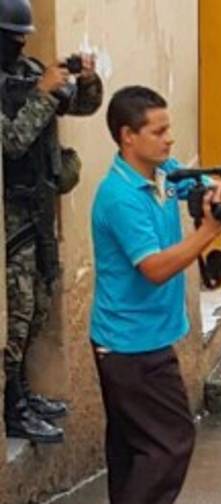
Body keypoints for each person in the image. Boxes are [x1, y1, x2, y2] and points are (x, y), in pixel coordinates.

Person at [87, 86, 221, 504]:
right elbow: (154, 268)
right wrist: (207, 234)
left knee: (133, 446)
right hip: (129, 343)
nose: (168, 140)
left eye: (168, 129)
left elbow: (188, 184)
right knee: (172, 439)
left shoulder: (158, 178)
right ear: (127, 136)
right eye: (158, 132)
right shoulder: (119, 197)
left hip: (144, 336)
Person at [1, 0, 102, 444]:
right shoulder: (22, 84)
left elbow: (80, 106)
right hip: (11, 217)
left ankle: (23, 393)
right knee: (18, 317)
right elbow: (12, 143)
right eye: (12, 35)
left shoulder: (29, 71)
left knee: (39, 306)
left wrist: (87, 79)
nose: (21, 42)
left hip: (39, 212)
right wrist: (42, 92)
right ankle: (12, 406)